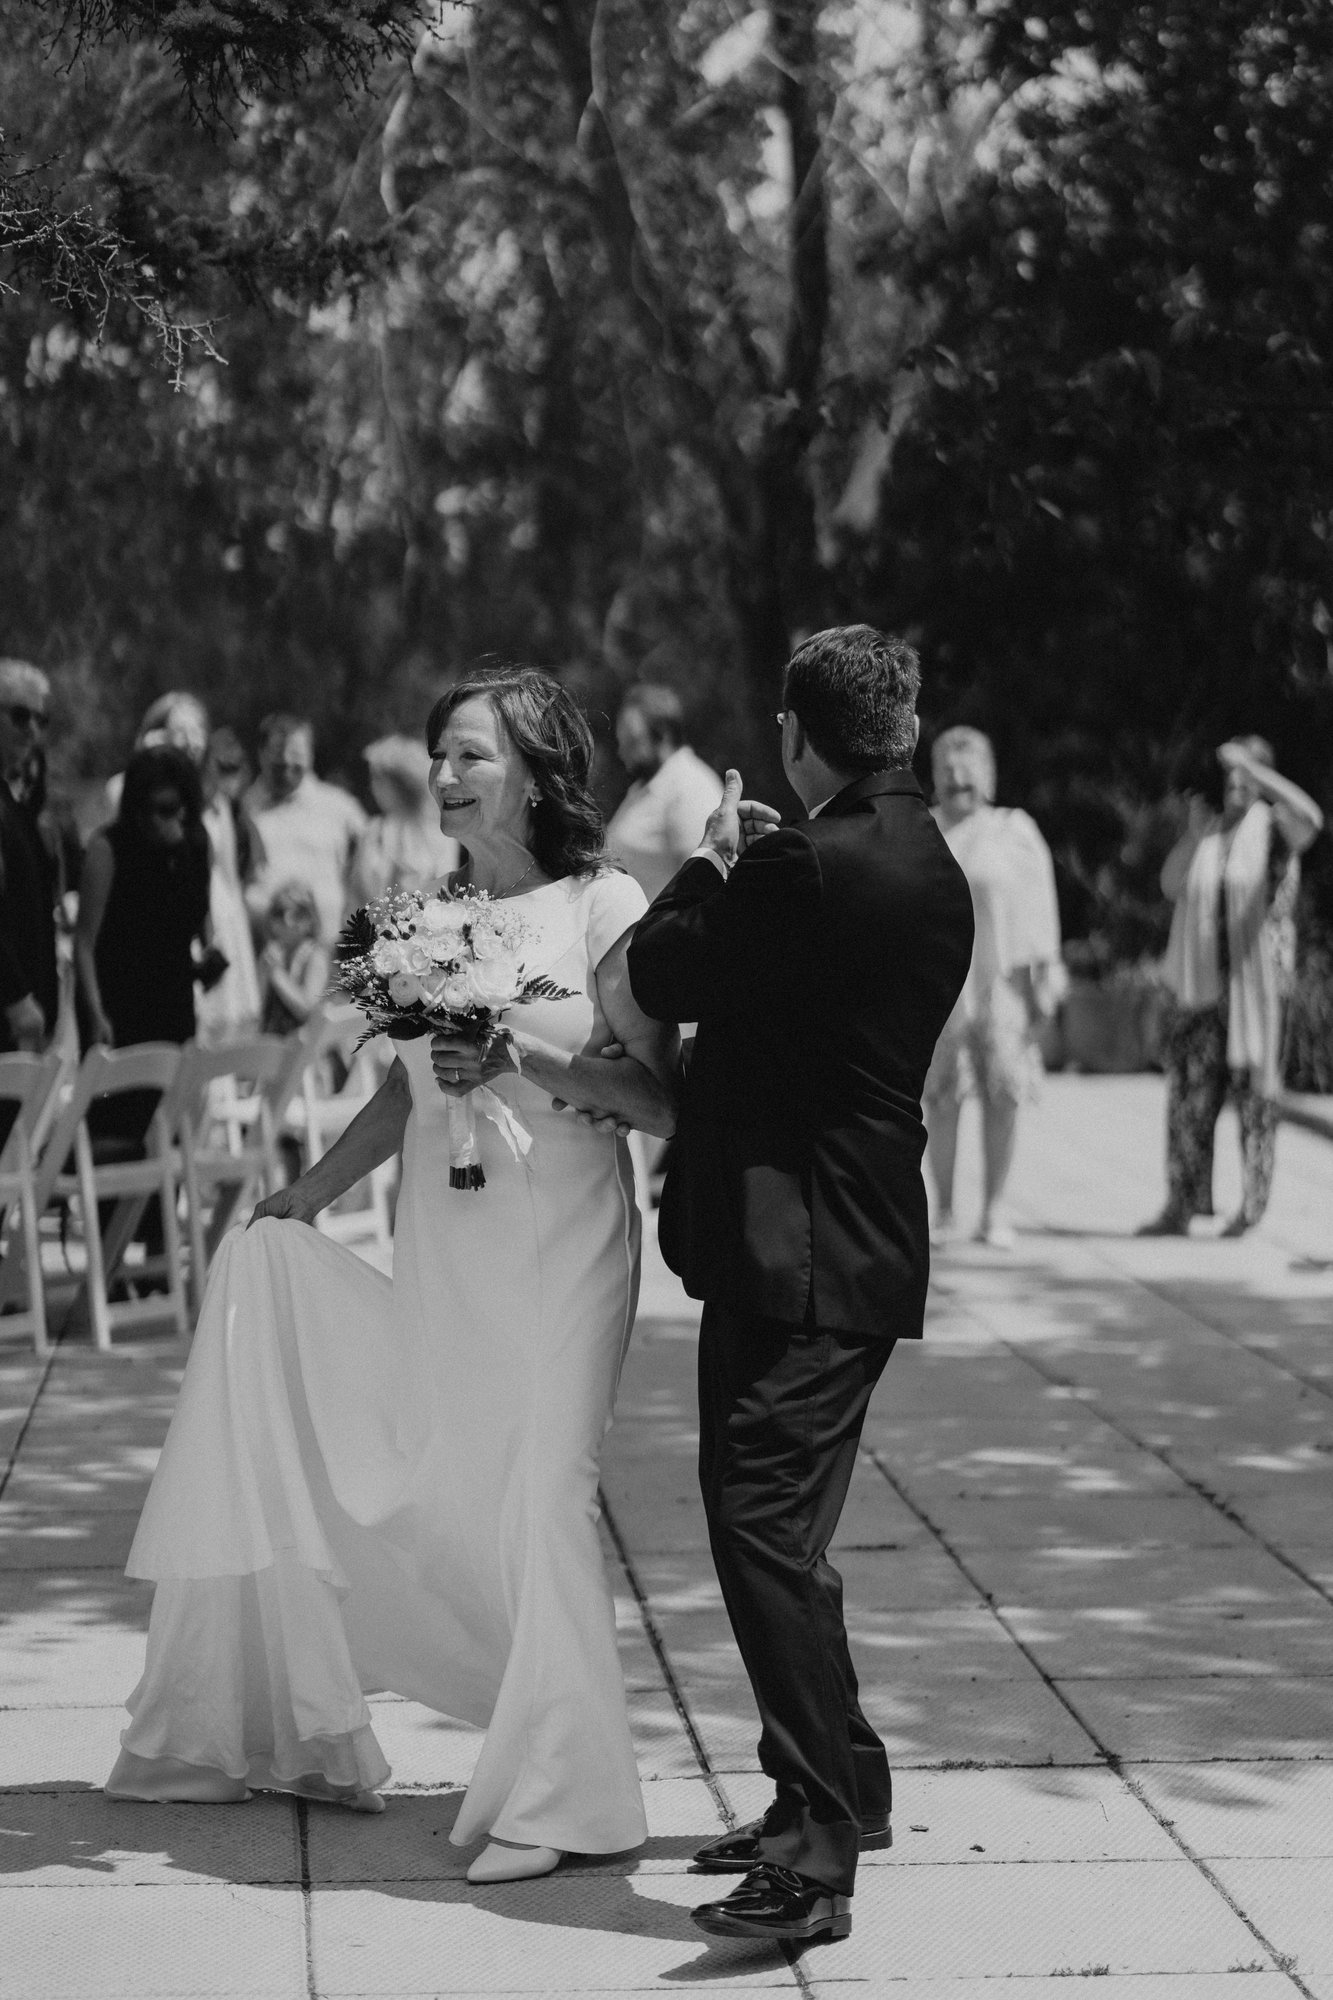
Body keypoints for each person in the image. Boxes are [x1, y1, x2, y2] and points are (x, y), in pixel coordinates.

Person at [104, 667, 680, 1887]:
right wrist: (307, 1196)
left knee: (546, 1489)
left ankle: (575, 1796)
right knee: (470, 1492)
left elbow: (657, 1094)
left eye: (472, 753)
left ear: (538, 771)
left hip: (563, 1242)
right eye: (440, 754)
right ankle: (460, 1729)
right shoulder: (434, 917)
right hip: (449, 1248)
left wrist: (518, 1055)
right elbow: (399, 1089)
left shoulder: (606, 903)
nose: (446, 774)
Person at [626, 626, 974, 1947]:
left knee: (759, 1522)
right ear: (900, 729)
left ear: (792, 731)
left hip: (797, 1250)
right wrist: (769, 866)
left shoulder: (796, 865)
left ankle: (816, 1852)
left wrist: (716, 857)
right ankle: (839, 1787)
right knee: (784, 1528)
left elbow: (662, 968)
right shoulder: (925, 857)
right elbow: (801, 986)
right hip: (854, 1240)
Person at [1140, 735, 1323, 1236]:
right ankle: (1182, 1203)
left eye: (1248, 775)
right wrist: (1193, 835)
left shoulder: (1277, 828)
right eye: (1231, 776)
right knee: (1188, 1095)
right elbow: (1171, 885)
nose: (1236, 784)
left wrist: (1257, 773)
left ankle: (1250, 1209)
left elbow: (1312, 818)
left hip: (1259, 989)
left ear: (1264, 779)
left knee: (1255, 1099)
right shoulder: (1211, 831)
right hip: (1202, 988)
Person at [923, 726, 1065, 1250]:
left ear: (988, 776)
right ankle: (944, 1210)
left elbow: (1040, 907)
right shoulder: (923, 829)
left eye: (968, 769)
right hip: (940, 986)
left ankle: (994, 1209)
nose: (957, 779)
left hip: (1003, 983)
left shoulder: (1014, 829)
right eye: (947, 769)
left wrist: (1044, 978)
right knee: (942, 1098)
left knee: (1003, 1095)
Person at [125, 694, 263, 1048]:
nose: (191, 739)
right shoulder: (142, 795)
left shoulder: (217, 799)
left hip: (220, 916)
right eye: (180, 729)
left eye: (198, 728)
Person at [245, 715, 366, 950]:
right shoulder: (244, 809)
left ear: (311, 755)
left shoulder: (340, 807)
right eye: (277, 752)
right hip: (261, 949)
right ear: (261, 754)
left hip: (328, 949)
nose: (287, 760)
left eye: (297, 753)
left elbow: (371, 863)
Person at [605, 683, 725, 903]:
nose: (622, 751)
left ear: (663, 735)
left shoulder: (691, 786)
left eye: (632, 740)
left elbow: (702, 881)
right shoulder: (646, 786)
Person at [0, 661, 60, 1061]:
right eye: (20, 716)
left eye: (41, 719)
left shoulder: (15, 802)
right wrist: (16, 997)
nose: (32, 730)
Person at [351, 733, 459, 903]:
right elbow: (358, 894)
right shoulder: (374, 831)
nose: (372, 787)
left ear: (401, 783)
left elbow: (446, 890)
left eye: (378, 779)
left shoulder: (439, 832)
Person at [258, 880, 330, 1036]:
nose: (280, 923)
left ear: (309, 920)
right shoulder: (275, 954)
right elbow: (259, 1007)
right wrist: (265, 972)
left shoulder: (315, 956)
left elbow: (306, 1009)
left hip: (302, 1043)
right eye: (276, 913)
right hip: (272, 1039)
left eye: (298, 915)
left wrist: (277, 974)